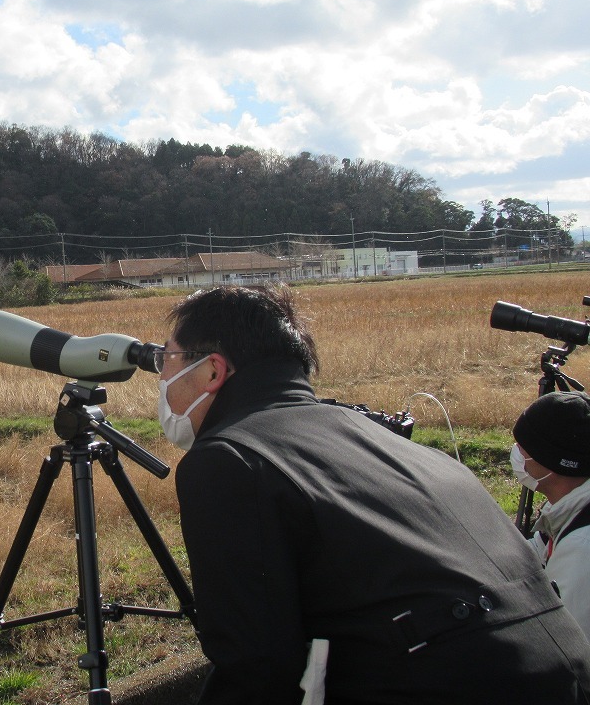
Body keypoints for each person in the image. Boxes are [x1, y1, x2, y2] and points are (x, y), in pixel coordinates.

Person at [157, 284, 590, 705]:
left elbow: (257, 664)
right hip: (566, 666)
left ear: (213, 370)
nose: (162, 374)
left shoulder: (231, 459)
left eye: (166, 358)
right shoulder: (373, 434)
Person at [512, 390, 590, 640]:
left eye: (522, 448)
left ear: (551, 463)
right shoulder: (569, 508)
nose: (516, 453)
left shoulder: (582, 549)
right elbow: (531, 553)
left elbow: (564, 642)